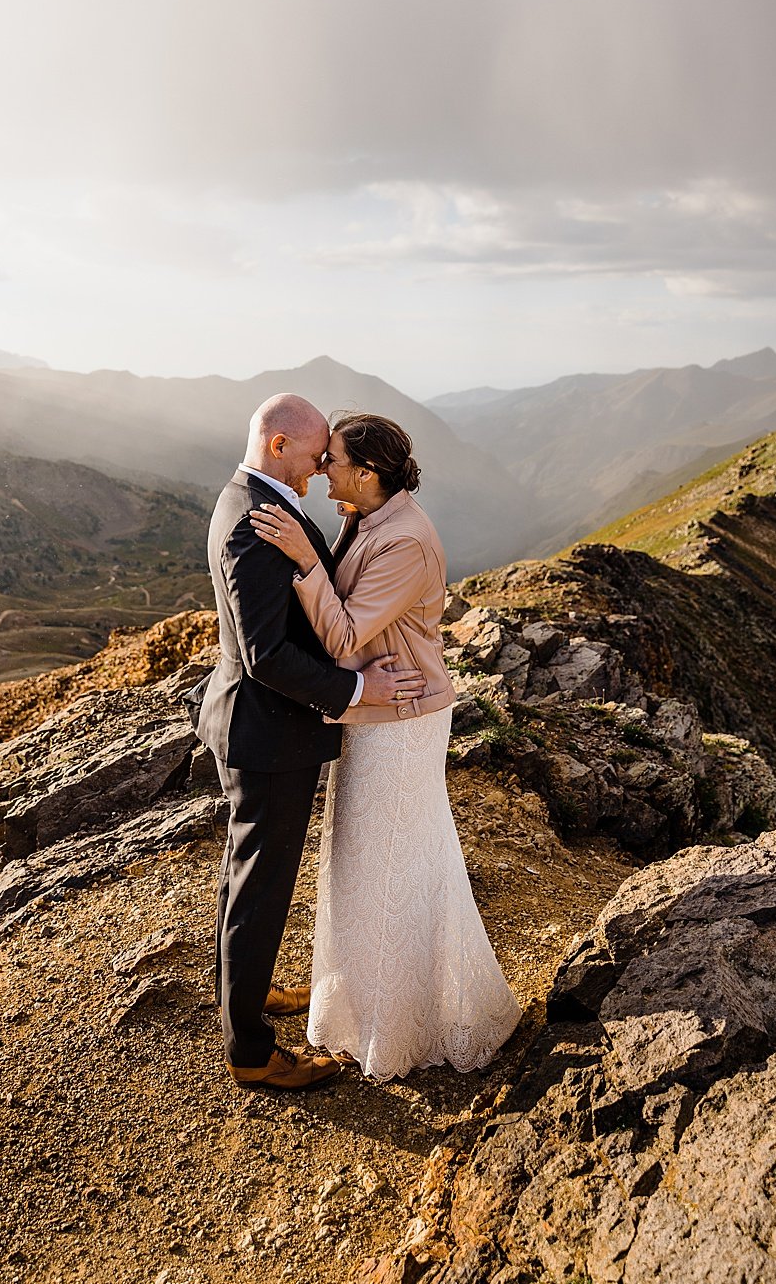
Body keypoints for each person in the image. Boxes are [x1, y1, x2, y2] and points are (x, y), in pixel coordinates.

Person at [250, 412, 523, 1079]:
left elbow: (344, 636)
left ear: (367, 474)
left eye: (333, 460)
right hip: (375, 714)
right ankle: (366, 1011)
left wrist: (304, 560)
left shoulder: (405, 542)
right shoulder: (366, 518)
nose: (321, 469)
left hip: (401, 723)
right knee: (367, 868)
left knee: (394, 870)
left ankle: (398, 1030)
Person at [194, 394, 428, 1091]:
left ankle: (245, 991)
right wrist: (357, 691)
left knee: (249, 877)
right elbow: (267, 654)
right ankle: (252, 1051)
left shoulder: (253, 501)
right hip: (267, 734)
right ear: (277, 448)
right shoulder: (251, 522)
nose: (323, 464)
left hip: (262, 728)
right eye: (316, 452)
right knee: (262, 885)